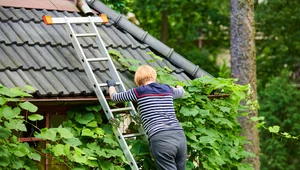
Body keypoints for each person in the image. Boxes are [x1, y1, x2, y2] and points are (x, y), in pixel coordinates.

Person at [106, 65, 187, 170]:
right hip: (179, 135)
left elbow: (115, 97)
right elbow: (182, 92)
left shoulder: (139, 91)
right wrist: (178, 87)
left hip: (161, 138)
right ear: (154, 76)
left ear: (138, 79)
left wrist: (111, 86)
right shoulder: (167, 89)